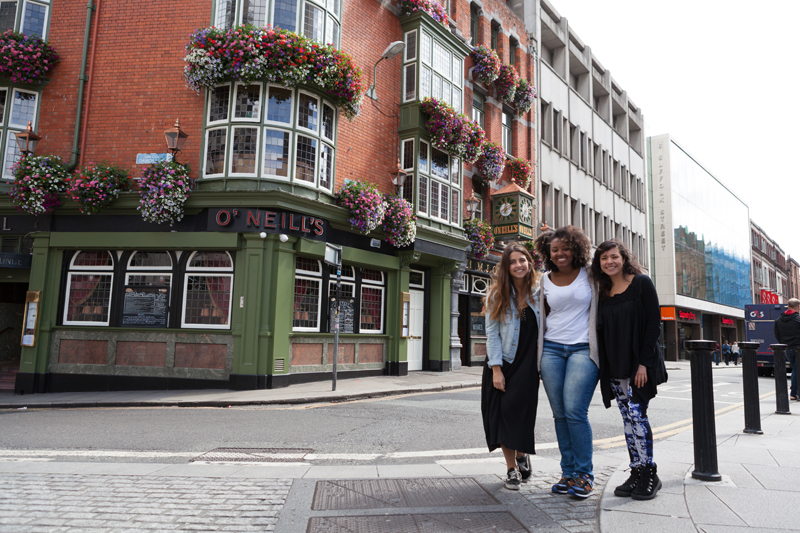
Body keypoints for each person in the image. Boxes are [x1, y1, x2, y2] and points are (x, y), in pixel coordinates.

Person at [592, 240, 668, 500]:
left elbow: (653, 325)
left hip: (638, 366)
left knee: (638, 416)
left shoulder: (641, 283)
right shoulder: (601, 289)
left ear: (624, 258)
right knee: (627, 419)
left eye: (614, 256)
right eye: (604, 258)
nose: (609, 262)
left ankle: (650, 473)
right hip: (615, 366)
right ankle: (636, 470)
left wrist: (644, 364)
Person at [533, 226, 598, 499]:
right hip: (551, 350)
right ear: (549, 253)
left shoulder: (591, 276)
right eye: (555, 250)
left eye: (565, 248)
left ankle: (584, 475)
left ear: (576, 249)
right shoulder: (544, 280)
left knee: (574, 412)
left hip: (583, 349)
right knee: (560, 414)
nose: (560, 254)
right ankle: (568, 472)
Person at [482, 243, 541, 490]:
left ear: (529, 263)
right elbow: (491, 334)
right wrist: (496, 369)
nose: (518, 265)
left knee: (522, 415)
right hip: (504, 363)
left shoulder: (539, 293)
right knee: (504, 415)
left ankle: (520, 454)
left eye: (522, 260)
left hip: (529, 366)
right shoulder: (497, 295)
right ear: (506, 267)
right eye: (513, 262)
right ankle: (511, 469)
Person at [774, 298, 800, 401]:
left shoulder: (778, 320)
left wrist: (784, 344)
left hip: (787, 348)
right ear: (798, 307)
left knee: (795, 369)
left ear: (788, 306)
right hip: (798, 348)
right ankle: (794, 393)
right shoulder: (798, 320)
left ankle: (794, 391)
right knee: (796, 370)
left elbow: (777, 335)